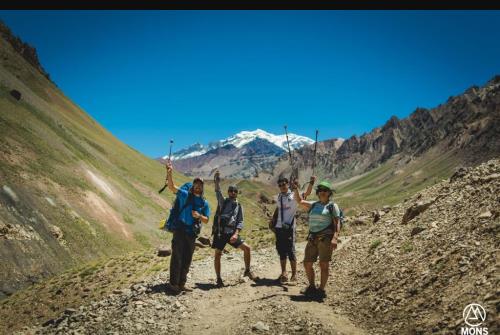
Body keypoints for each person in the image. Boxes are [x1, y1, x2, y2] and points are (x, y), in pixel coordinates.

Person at [165, 160, 210, 294]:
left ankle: (182, 283)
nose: (197, 187)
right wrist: (169, 173)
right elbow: (172, 187)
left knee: (187, 259)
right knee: (177, 257)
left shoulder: (204, 202)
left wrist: (199, 216)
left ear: (202, 188)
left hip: (191, 233)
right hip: (180, 229)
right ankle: (173, 284)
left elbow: (207, 220)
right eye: (195, 184)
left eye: (199, 185)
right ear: (193, 185)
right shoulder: (185, 195)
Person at [291, 180, 340, 299]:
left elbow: (337, 222)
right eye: (320, 191)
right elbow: (299, 201)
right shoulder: (313, 204)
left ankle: (321, 290)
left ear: (329, 193)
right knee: (307, 263)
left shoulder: (332, 206)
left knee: (324, 264)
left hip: (325, 238)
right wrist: (296, 188)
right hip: (312, 237)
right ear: (318, 193)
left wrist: (335, 237)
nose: (322, 192)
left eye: (325, 191)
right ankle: (312, 286)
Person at [212, 170, 257, 287]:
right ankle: (218, 278)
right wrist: (216, 181)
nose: (232, 193)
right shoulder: (224, 201)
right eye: (231, 191)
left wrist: (236, 233)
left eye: (235, 191)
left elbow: (240, 221)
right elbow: (217, 192)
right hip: (221, 232)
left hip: (232, 232)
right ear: (228, 192)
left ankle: (247, 270)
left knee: (247, 248)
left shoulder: (239, 206)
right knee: (218, 254)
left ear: (237, 193)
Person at [271, 175, 316, 285]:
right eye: (280, 185)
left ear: (288, 184)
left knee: (291, 251)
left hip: (289, 228)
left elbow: (307, 193)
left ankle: (294, 275)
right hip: (279, 227)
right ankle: (284, 273)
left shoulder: (294, 196)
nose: (282, 186)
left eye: (284, 184)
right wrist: (272, 221)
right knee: (281, 251)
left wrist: (311, 183)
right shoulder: (278, 197)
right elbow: (278, 209)